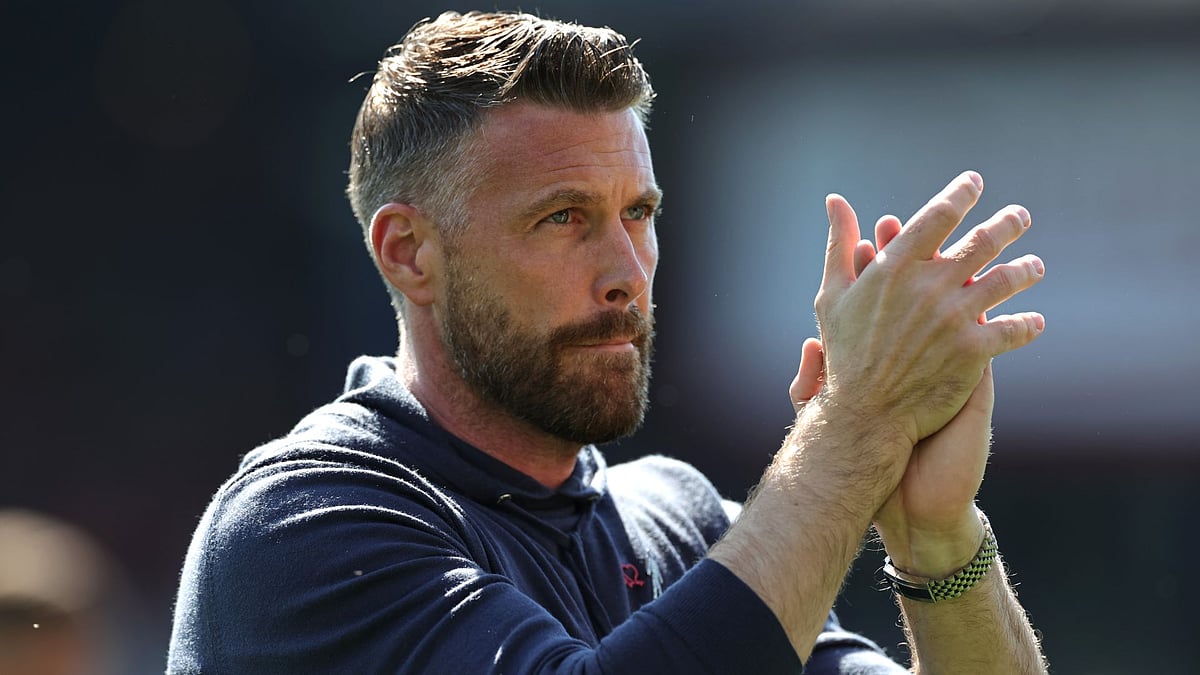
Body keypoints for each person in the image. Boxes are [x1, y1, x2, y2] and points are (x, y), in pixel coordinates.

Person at [168, 10, 1049, 673]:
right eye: (564, 218)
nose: (626, 270)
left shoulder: (680, 521)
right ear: (410, 253)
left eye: (639, 213)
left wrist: (938, 540)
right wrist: (855, 425)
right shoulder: (305, 525)